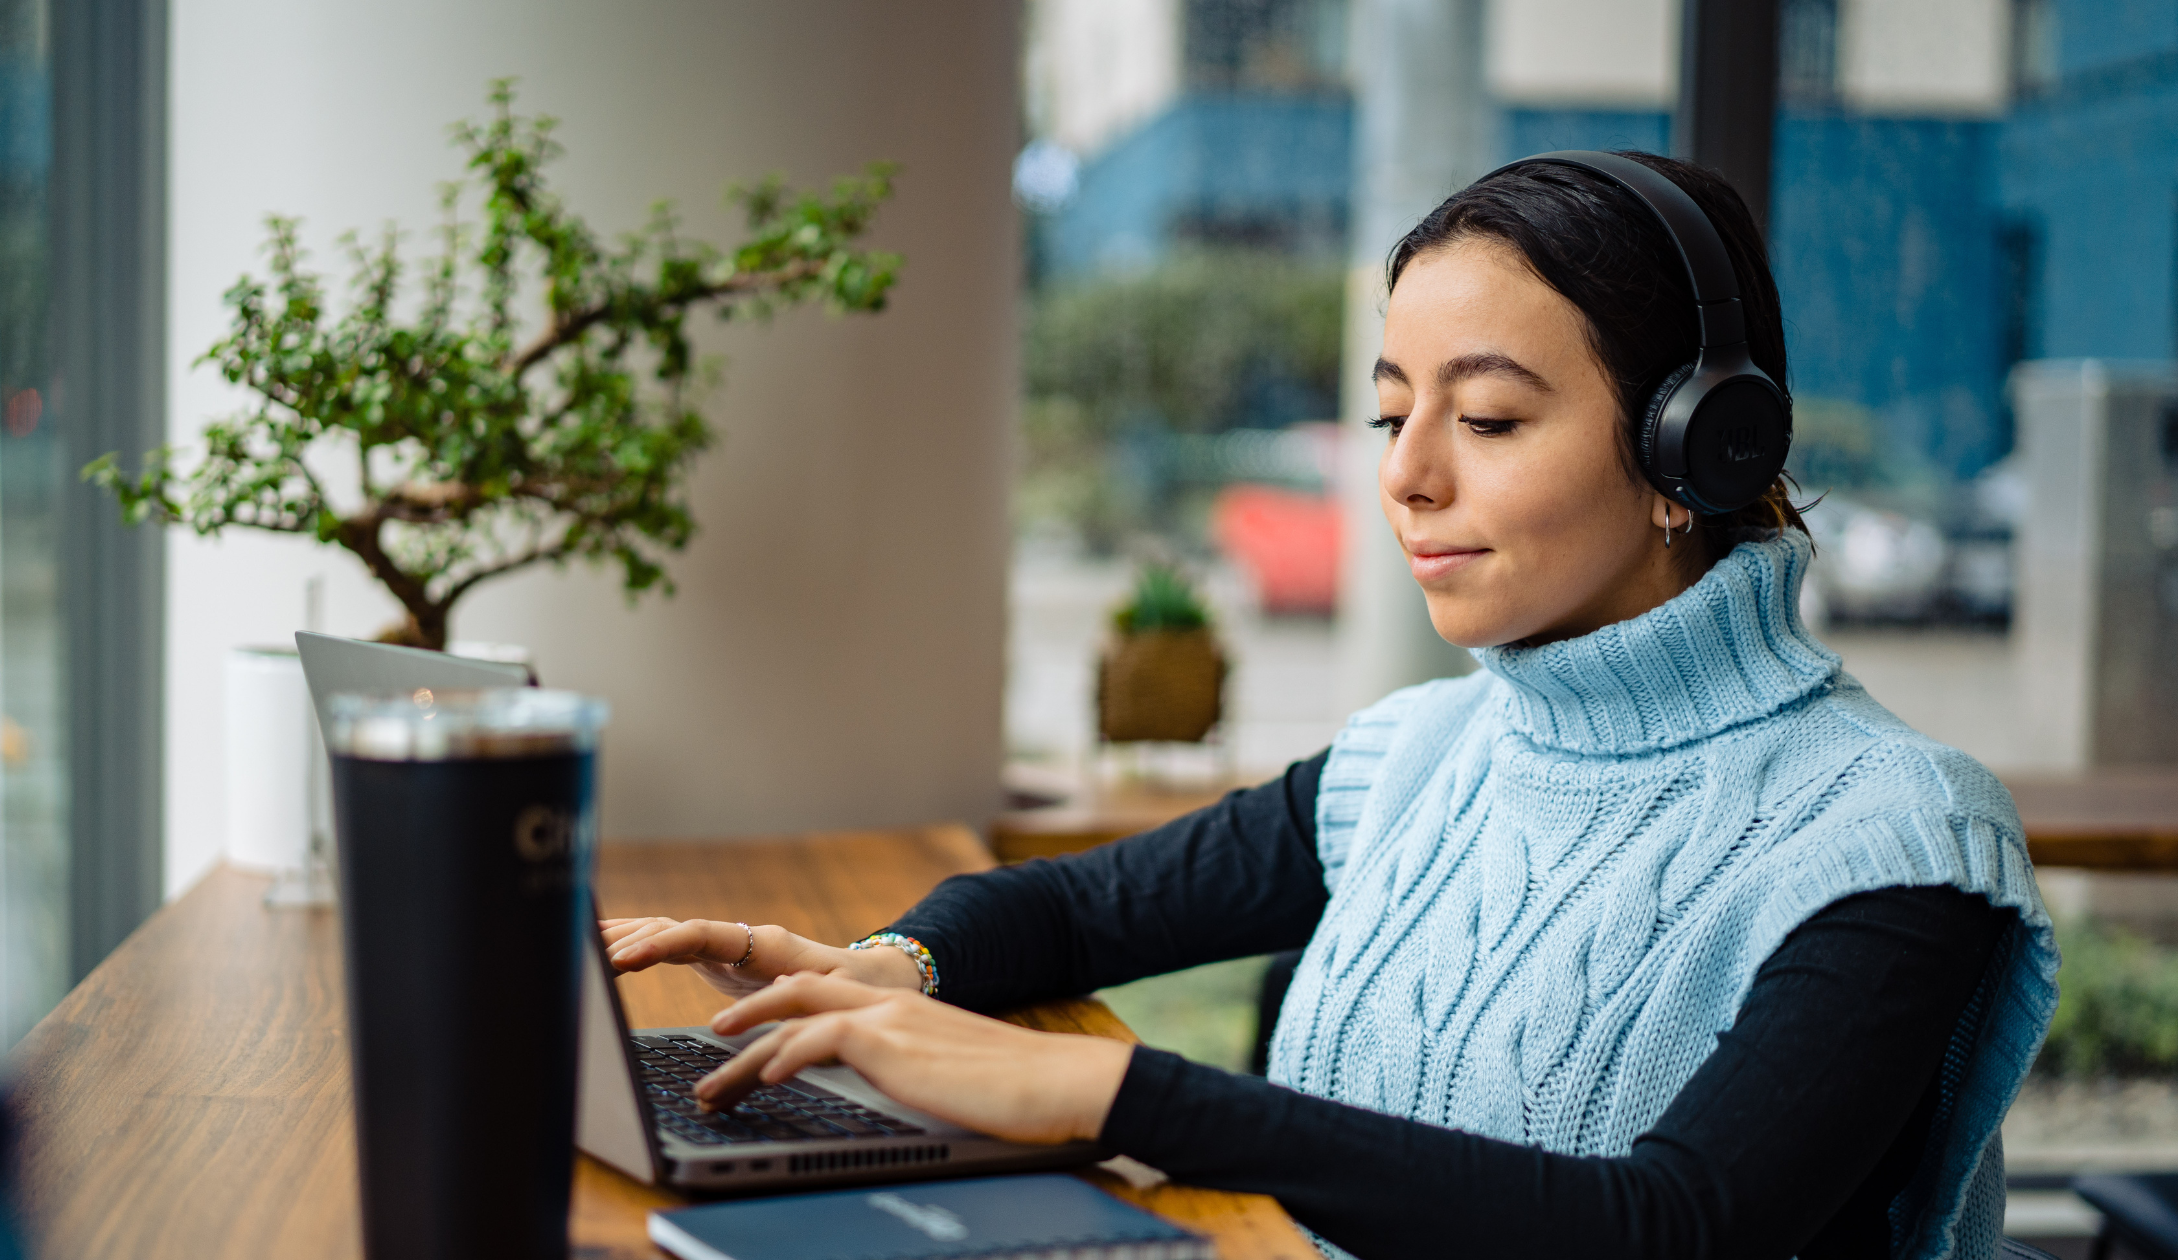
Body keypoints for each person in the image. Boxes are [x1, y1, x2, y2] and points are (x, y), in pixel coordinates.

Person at [601, 152, 2059, 1260]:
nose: (1407, 476)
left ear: (1700, 449)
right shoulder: (1418, 757)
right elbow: (1071, 915)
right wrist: (894, 967)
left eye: (1487, 419)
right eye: (1390, 412)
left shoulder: (1891, 835)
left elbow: (1670, 1227)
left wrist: (1105, 1099)